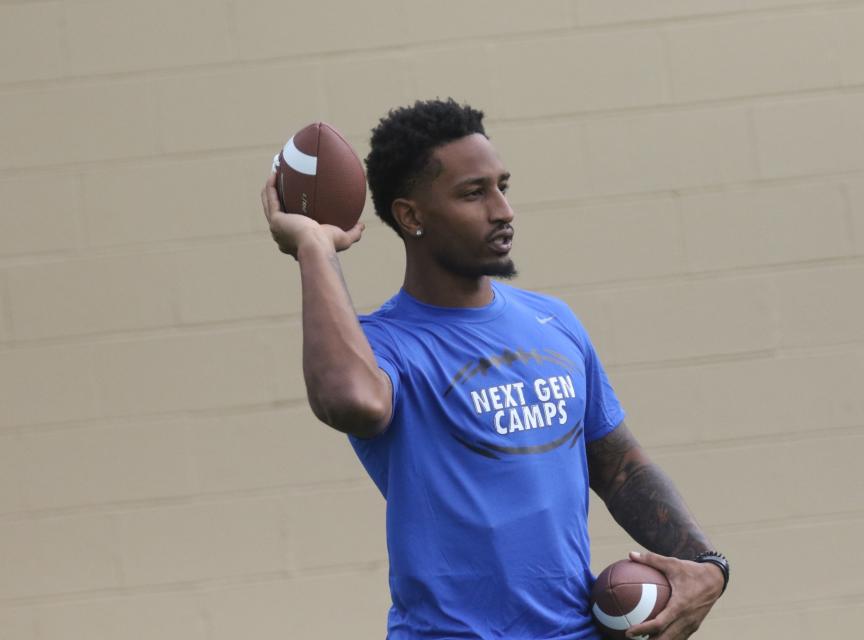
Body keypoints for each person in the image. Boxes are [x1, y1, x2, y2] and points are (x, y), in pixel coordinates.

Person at [261, 99, 728, 640]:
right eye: (473, 193)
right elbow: (350, 401)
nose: (503, 209)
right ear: (411, 215)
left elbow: (620, 469)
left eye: (502, 186)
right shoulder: (381, 346)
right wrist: (315, 249)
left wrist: (707, 567)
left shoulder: (555, 321)